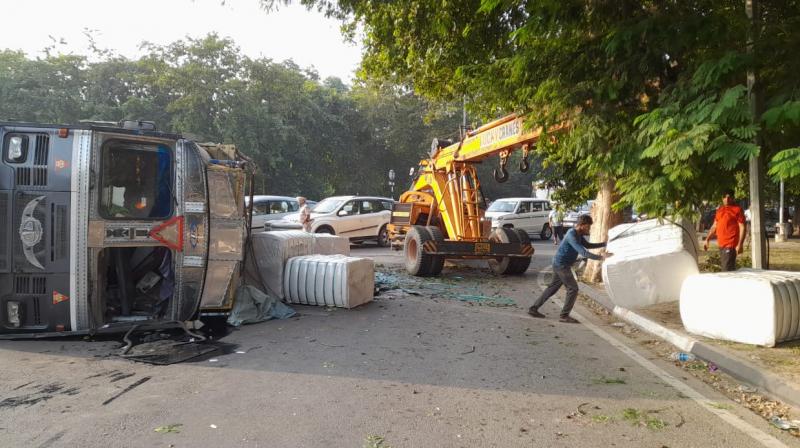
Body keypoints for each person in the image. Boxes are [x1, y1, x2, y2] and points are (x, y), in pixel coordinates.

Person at [528, 214, 611, 323]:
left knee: (552, 288)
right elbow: (584, 252)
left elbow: (588, 245)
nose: (589, 229)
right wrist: (601, 257)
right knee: (573, 289)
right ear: (582, 225)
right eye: (588, 227)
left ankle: (533, 308)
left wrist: (605, 244)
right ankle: (564, 316)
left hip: (561, 264)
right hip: (561, 265)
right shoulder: (571, 234)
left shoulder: (579, 235)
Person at [704, 190, 746, 271]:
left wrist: (740, 244)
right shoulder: (720, 209)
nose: (726, 199)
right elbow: (714, 226)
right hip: (721, 244)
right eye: (724, 197)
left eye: (729, 197)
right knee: (728, 269)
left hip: (730, 244)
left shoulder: (737, 209)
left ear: (733, 198)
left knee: (727, 270)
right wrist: (707, 239)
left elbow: (742, 227)